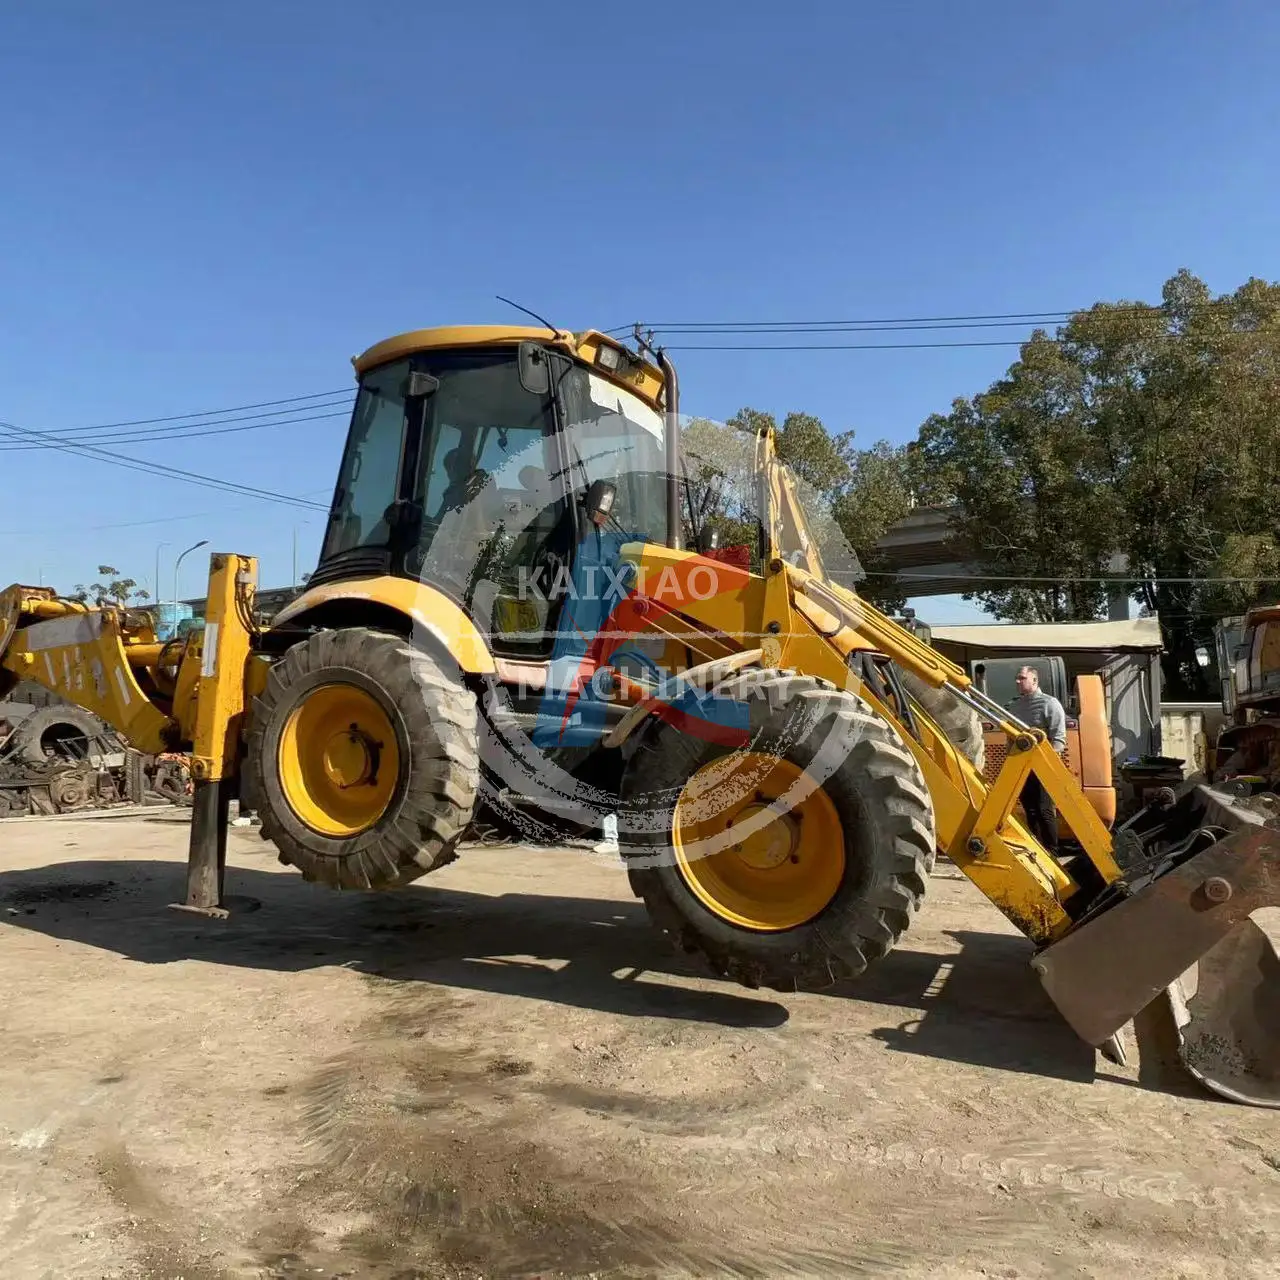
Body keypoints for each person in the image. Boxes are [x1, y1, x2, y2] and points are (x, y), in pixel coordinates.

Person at [1007, 664, 1067, 852]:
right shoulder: (1014, 706)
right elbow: (1010, 737)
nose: (1018, 681)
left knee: (1044, 809)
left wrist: (1050, 763)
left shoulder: (1050, 703)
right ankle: (1037, 849)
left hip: (1043, 764)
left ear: (1034, 680)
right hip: (1021, 765)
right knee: (1029, 810)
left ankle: (1052, 850)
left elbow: (1058, 738)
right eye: (1017, 678)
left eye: (1022, 678)